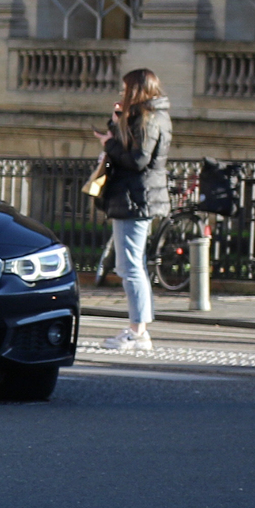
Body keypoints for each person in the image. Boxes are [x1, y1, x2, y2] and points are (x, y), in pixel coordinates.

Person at [94, 66, 171, 351]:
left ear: (136, 90)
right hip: (135, 196)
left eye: (126, 89)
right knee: (132, 265)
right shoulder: (147, 116)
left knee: (130, 267)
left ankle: (138, 332)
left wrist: (110, 144)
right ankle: (139, 329)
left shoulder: (150, 119)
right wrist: (116, 124)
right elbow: (132, 148)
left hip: (135, 198)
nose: (122, 93)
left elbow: (138, 160)